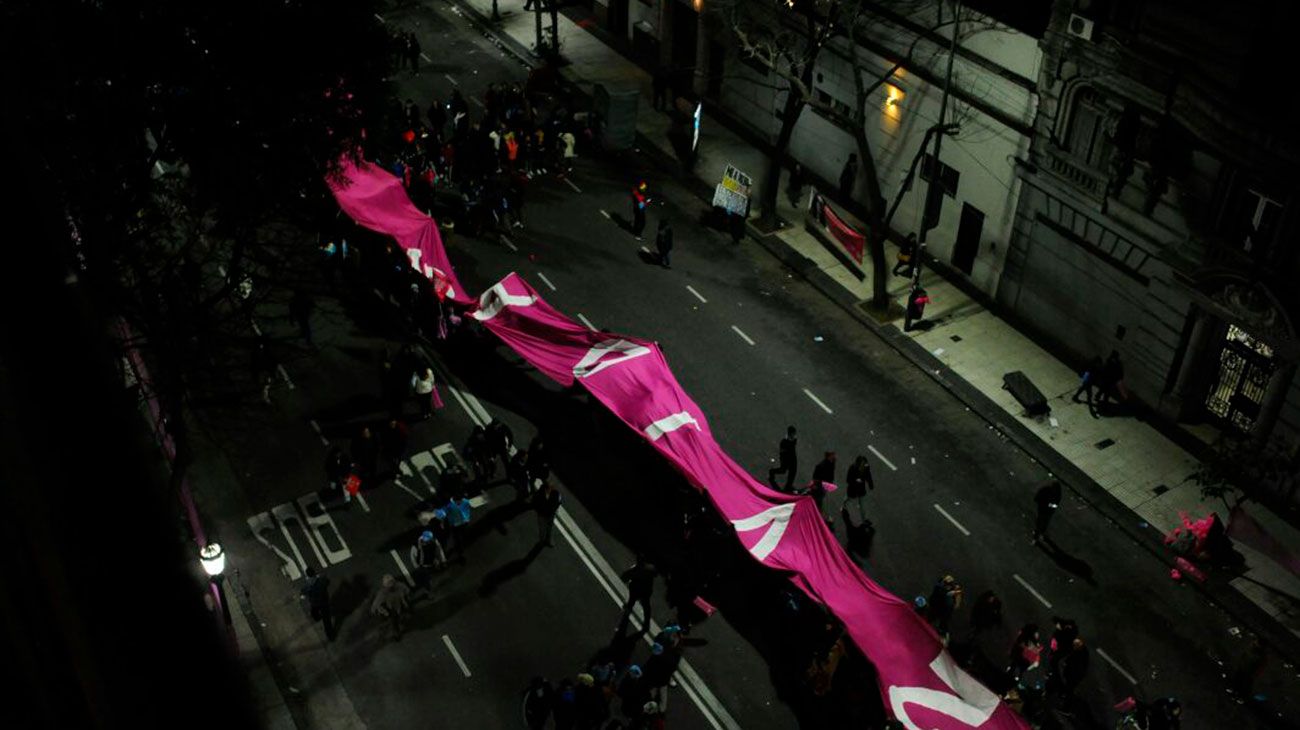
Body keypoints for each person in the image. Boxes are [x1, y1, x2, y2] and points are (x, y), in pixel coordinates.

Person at [618, 556, 657, 636]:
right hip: (646, 591)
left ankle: (624, 623)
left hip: (635, 590)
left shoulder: (635, 570)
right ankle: (646, 624)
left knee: (631, 602)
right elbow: (655, 573)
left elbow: (624, 577)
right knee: (646, 607)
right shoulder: (650, 569)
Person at [370, 574, 411, 640]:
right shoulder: (382, 593)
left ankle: (402, 622)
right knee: (394, 622)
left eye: (392, 583)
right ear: (385, 585)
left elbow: (407, 591)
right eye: (389, 584)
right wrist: (385, 612)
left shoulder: (400, 586)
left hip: (401, 605)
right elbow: (375, 605)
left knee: (403, 615)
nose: (391, 586)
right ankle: (396, 633)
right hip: (392, 609)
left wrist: (406, 599)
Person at [300, 567, 335, 641]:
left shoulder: (307, 586)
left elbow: (303, 595)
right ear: (314, 573)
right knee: (327, 621)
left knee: (314, 612)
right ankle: (330, 636)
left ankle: (317, 618)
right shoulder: (322, 580)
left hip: (315, 603)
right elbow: (327, 582)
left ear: (307, 575)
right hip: (324, 601)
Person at [926, 574, 963, 639]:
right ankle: (939, 630)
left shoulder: (939, 587)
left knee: (932, 618)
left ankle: (928, 625)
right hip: (940, 609)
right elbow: (955, 605)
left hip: (937, 608)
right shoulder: (945, 591)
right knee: (937, 619)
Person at [767, 426, 798, 491]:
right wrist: (784, 460)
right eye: (793, 433)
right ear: (790, 433)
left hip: (793, 459)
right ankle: (772, 472)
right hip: (785, 459)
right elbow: (782, 453)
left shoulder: (794, 439)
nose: (794, 435)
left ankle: (788, 486)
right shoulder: (784, 442)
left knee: (793, 473)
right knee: (782, 470)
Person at [1031, 479, 1062, 544]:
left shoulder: (1055, 493)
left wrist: (1051, 505)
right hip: (1043, 510)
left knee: (1043, 523)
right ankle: (1037, 536)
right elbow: (1038, 498)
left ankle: (1039, 535)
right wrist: (1050, 505)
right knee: (1040, 523)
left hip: (1047, 511)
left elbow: (1056, 504)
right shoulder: (1049, 491)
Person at [809, 451, 836, 524]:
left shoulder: (832, 463)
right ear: (828, 456)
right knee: (819, 502)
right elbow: (815, 477)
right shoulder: (821, 466)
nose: (834, 456)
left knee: (818, 501)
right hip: (819, 487)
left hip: (824, 487)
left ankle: (817, 515)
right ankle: (822, 518)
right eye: (833, 455)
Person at [533, 480, 563, 547]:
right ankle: (542, 541)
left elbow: (559, 503)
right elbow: (534, 503)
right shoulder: (539, 494)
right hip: (542, 516)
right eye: (548, 488)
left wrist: (554, 512)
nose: (549, 490)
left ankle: (548, 540)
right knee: (542, 530)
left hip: (550, 515)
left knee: (549, 529)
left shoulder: (556, 494)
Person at [844, 455, 874, 521]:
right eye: (862, 464)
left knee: (863, 505)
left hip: (861, 489)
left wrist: (870, 484)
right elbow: (848, 480)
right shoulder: (852, 468)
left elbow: (868, 475)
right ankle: (845, 506)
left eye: (865, 464)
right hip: (853, 490)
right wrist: (856, 481)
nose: (863, 466)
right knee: (849, 500)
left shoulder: (866, 467)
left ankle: (864, 519)